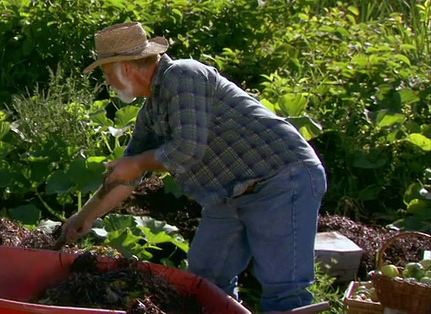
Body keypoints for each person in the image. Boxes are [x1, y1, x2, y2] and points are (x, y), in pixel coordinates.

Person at [61, 21, 327, 312]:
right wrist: (83, 218)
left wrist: (138, 163)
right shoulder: (151, 111)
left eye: (107, 73)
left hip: (279, 178)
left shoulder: (183, 75)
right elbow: (128, 177)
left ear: (126, 68)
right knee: (204, 282)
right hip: (227, 195)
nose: (108, 82)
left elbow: (187, 149)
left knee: (284, 289)